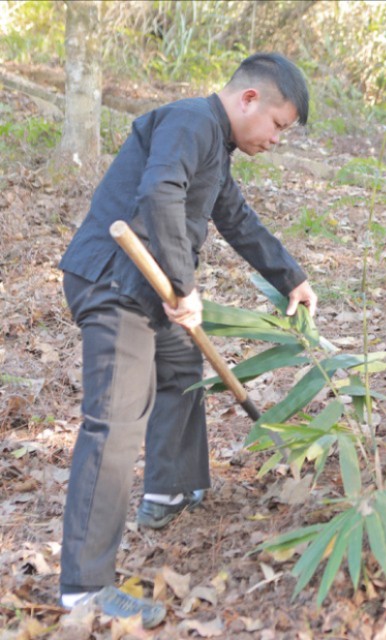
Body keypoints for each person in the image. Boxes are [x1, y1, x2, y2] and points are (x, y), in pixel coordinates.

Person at [57, 52, 318, 628]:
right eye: (278, 125)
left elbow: (236, 218)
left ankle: (171, 490)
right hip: (115, 282)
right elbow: (159, 194)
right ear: (249, 100)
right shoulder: (189, 121)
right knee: (114, 425)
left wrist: (290, 274)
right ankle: (84, 589)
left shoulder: (214, 146)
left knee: (180, 374)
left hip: (147, 290)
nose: (277, 139)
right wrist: (184, 284)